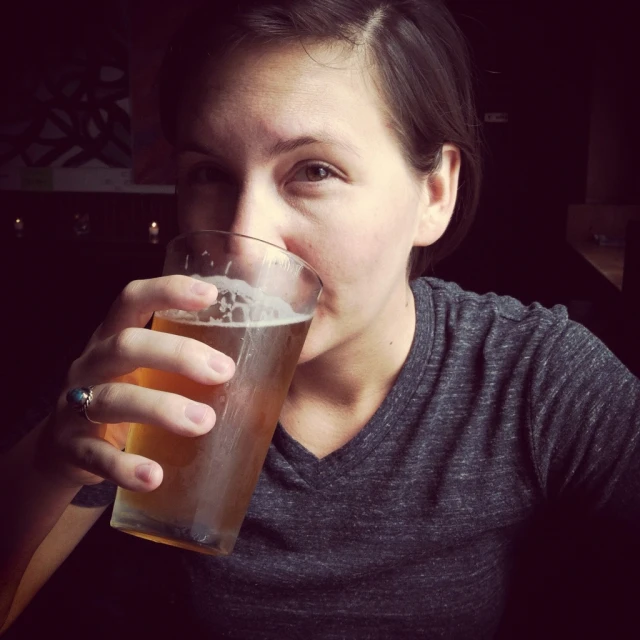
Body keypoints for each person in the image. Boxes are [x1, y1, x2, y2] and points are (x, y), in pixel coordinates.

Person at [2, 0, 640, 638]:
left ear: (435, 193)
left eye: (314, 171)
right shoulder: (150, 355)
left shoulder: (528, 373)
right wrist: (52, 464)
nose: (243, 243)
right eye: (210, 173)